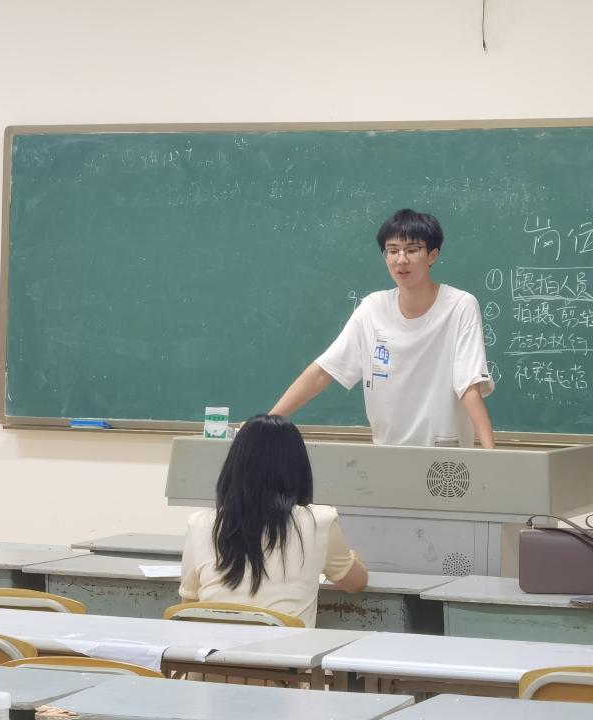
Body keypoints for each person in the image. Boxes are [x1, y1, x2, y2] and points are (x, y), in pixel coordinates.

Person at [270, 209, 495, 448]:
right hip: (386, 451)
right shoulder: (372, 308)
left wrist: (491, 455)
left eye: (412, 250)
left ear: (432, 255)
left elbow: (469, 386)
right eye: (392, 250)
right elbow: (324, 371)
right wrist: (268, 422)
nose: (401, 260)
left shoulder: (460, 305)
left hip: (445, 457)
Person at [179, 414, 368, 627]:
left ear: (234, 465)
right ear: (298, 467)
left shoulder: (200, 523)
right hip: (285, 648)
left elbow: (188, 606)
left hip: (212, 646)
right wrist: (349, 556)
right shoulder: (319, 522)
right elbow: (356, 582)